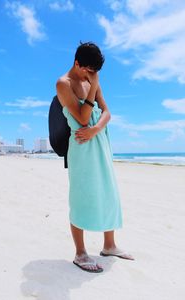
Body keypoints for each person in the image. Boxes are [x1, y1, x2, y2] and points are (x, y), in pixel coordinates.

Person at [56, 42, 134, 273]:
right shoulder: (64, 84)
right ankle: (80, 253)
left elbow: (107, 112)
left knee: (108, 192)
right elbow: (81, 117)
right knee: (81, 195)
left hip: (100, 142)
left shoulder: (92, 79)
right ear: (77, 63)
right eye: (88, 70)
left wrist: (96, 129)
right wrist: (93, 89)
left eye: (95, 72)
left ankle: (109, 245)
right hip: (81, 147)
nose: (91, 75)